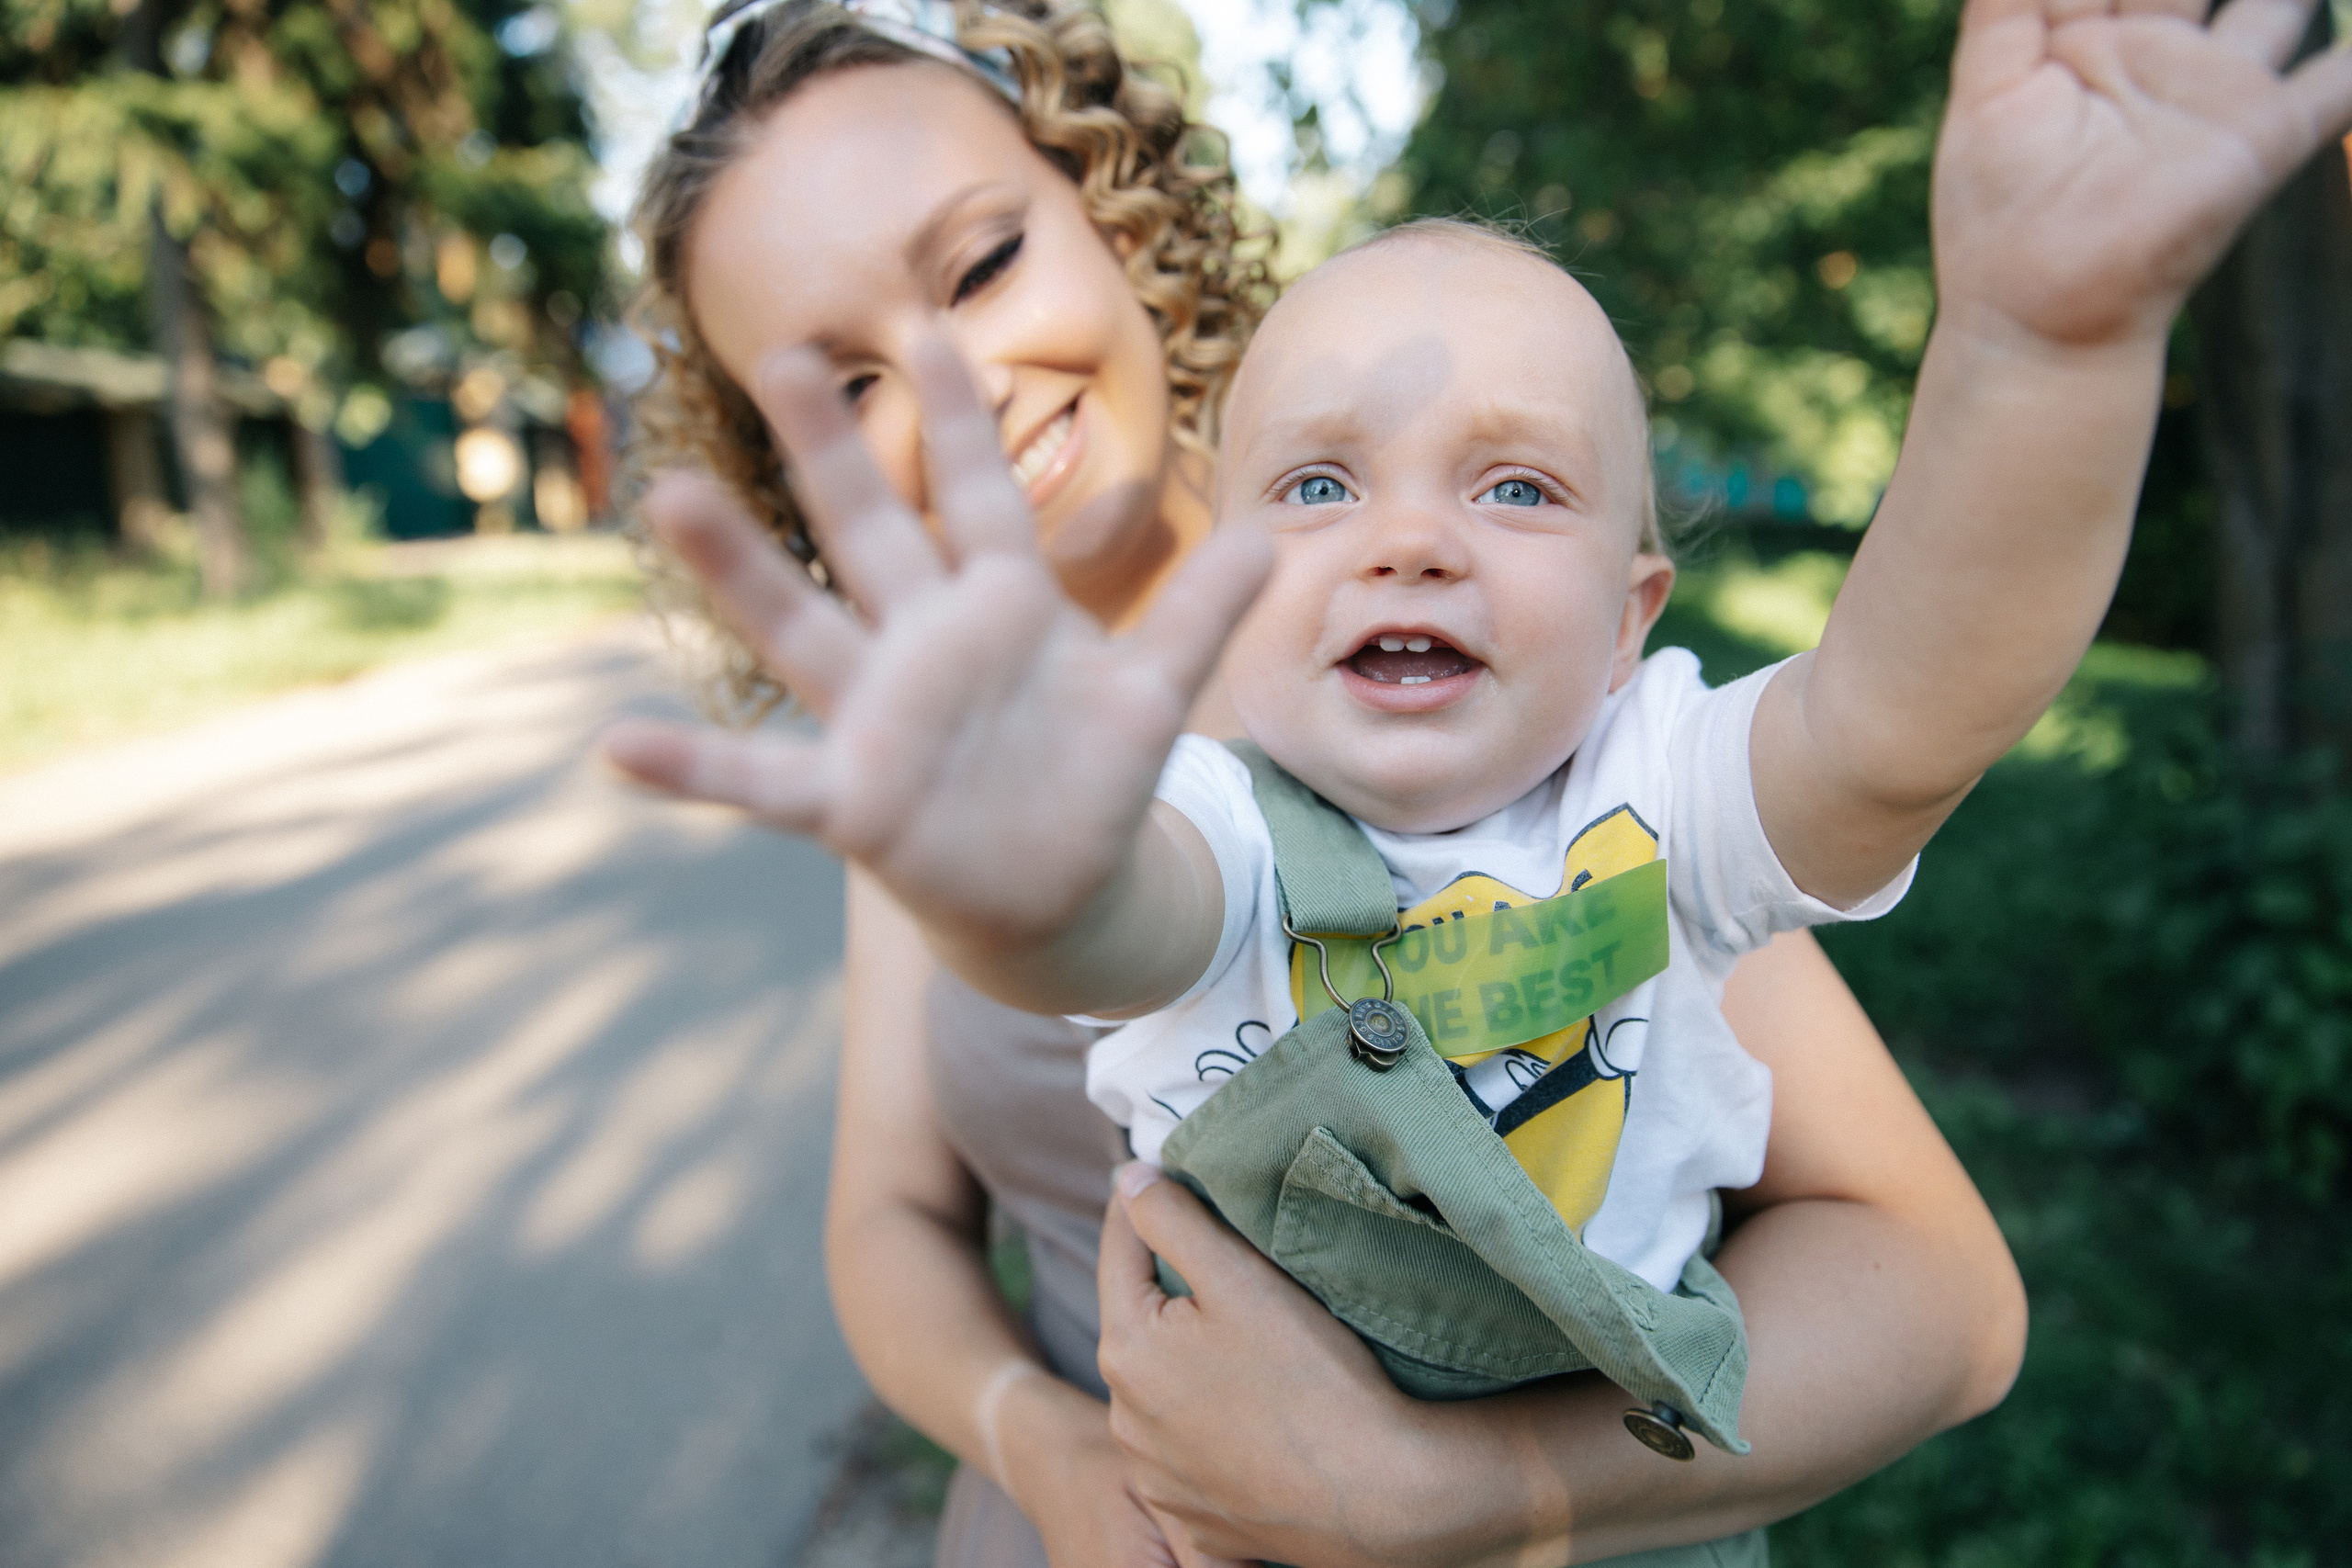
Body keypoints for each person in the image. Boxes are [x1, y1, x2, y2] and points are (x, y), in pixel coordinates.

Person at [598, 0, 2335, 1558]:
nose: (957, 384)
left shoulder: (1556, 759)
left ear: (1102, 201)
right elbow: (992, 1083)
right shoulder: (959, 783)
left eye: (978, 267)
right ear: (787, 475)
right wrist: (1040, 1447)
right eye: (841, 386)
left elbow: (1895, 723)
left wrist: (2045, 354)